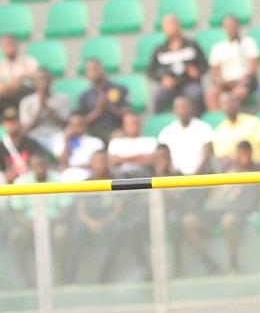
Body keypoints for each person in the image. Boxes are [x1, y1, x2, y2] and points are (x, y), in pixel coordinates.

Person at [72, 149, 153, 281]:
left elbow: (119, 208)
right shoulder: (85, 183)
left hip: (112, 221)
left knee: (121, 229)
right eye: (97, 162)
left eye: (103, 161)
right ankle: (70, 277)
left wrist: (103, 222)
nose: (100, 165)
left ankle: (106, 275)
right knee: (75, 231)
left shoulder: (118, 181)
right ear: (91, 164)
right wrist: (90, 222)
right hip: (90, 222)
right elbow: (80, 209)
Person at [183, 139, 260, 272]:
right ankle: (209, 262)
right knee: (188, 221)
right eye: (240, 154)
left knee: (228, 221)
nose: (243, 157)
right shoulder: (226, 167)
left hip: (236, 210)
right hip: (214, 209)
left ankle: (233, 262)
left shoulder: (257, 170)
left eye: (246, 153)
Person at [6, 153, 70, 287]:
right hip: (29, 224)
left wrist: (51, 222)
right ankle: (26, 279)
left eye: (42, 165)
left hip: (53, 222)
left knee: (62, 234)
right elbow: (17, 211)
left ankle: (60, 278)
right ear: (30, 167)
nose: (40, 168)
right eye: (36, 166)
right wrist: (31, 224)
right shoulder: (22, 182)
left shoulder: (59, 180)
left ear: (48, 166)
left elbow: (66, 208)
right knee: (17, 236)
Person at [149, 14, 208, 113]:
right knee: (159, 97)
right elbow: (150, 71)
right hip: (170, 87)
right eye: (168, 25)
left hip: (190, 83)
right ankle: (160, 124)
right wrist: (162, 79)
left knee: (196, 94)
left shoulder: (191, 45)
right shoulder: (160, 49)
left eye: (174, 24)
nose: (172, 27)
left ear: (179, 26)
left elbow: (204, 65)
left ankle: (197, 122)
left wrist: (197, 72)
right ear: (164, 28)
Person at [207, 15, 259, 110]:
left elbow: (253, 68)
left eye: (233, 26)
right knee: (211, 94)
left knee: (233, 96)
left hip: (243, 82)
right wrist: (221, 82)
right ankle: (217, 120)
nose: (230, 29)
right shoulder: (217, 47)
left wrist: (239, 80)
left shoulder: (248, 42)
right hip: (225, 83)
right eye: (227, 26)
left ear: (238, 27)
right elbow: (214, 72)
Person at [157, 95, 212, 176]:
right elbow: (162, 157)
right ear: (174, 111)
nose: (182, 111)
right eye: (179, 108)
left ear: (191, 108)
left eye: (185, 107)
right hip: (175, 177)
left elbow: (207, 153)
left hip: (201, 176)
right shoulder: (166, 132)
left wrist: (197, 173)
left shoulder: (204, 128)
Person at [212, 91, 260, 166]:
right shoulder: (218, 131)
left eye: (232, 102)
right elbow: (223, 158)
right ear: (221, 107)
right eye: (226, 104)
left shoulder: (254, 121)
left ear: (238, 103)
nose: (229, 106)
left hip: (257, 169)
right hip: (235, 172)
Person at [79, 57, 130, 140]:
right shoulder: (84, 96)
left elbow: (128, 114)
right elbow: (81, 121)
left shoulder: (120, 89)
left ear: (103, 70)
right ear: (87, 75)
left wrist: (110, 107)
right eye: (90, 70)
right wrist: (98, 110)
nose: (94, 72)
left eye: (96, 68)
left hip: (116, 130)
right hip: (93, 132)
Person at [20, 68, 71, 148]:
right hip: (35, 135)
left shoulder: (62, 98)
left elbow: (65, 124)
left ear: (51, 81)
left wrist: (47, 108)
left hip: (57, 134)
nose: (42, 82)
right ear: (34, 82)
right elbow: (26, 128)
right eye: (39, 79)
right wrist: (40, 108)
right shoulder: (26, 101)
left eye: (45, 79)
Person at [51, 111, 104, 181]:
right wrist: (67, 141)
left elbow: (98, 165)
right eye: (73, 125)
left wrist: (72, 166)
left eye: (80, 124)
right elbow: (63, 162)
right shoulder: (60, 140)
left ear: (85, 124)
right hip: (66, 178)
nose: (76, 127)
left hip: (89, 178)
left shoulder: (95, 142)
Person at [1, 104, 46, 182]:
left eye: (14, 120)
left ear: (19, 122)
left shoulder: (31, 143)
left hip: (29, 180)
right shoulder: (1, 146)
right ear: (3, 125)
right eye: (8, 121)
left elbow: (40, 163)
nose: (11, 124)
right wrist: (6, 174)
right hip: (8, 184)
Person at [107, 112, 158, 177]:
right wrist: (139, 157)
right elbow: (113, 161)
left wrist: (123, 159)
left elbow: (150, 160)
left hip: (145, 178)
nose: (131, 126)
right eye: (128, 123)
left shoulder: (151, 141)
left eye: (134, 123)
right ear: (123, 125)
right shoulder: (115, 142)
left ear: (140, 124)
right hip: (119, 179)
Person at [0, 32, 38, 111]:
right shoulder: (1, 65)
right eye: (5, 45)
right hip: (4, 98)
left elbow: (34, 79)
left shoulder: (28, 61)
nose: (8, 47)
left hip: (23, 96)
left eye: (10, 44)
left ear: (16, 45)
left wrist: (19, 80)